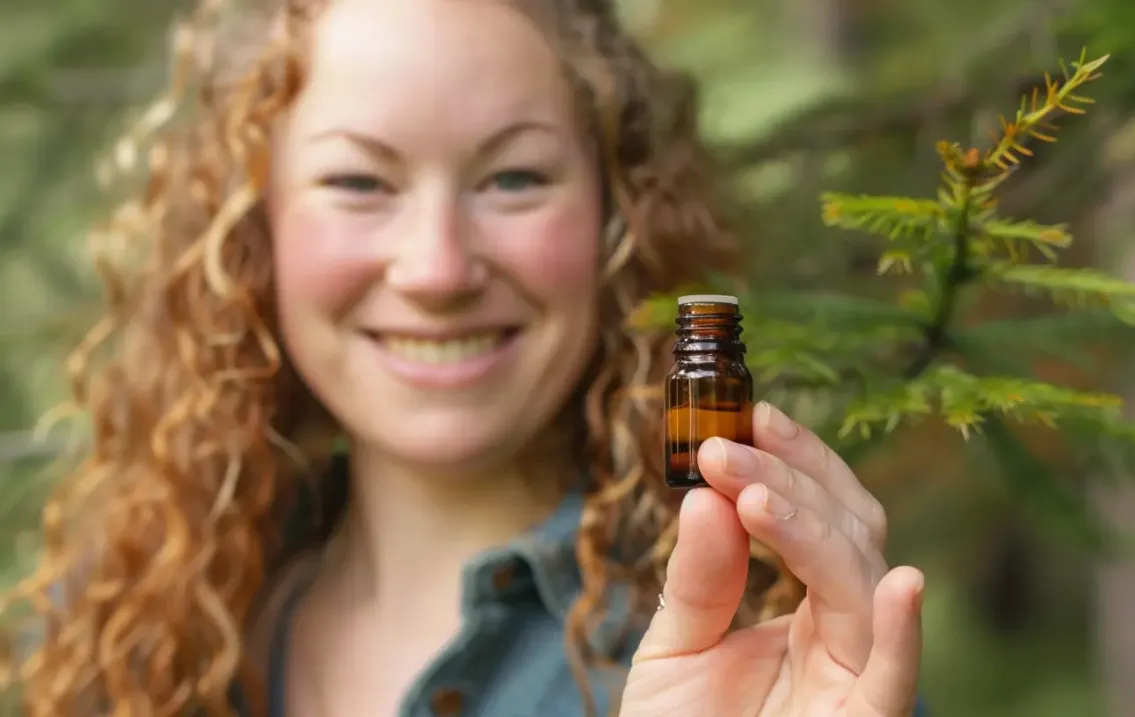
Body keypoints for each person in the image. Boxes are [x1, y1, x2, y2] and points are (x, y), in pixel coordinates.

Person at [1, 0, 927, 715]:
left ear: (620, 217)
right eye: (359, 181)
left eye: (514, 177)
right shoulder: (129, 638)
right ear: (250, 228)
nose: (438, 269)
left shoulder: (769, 660)